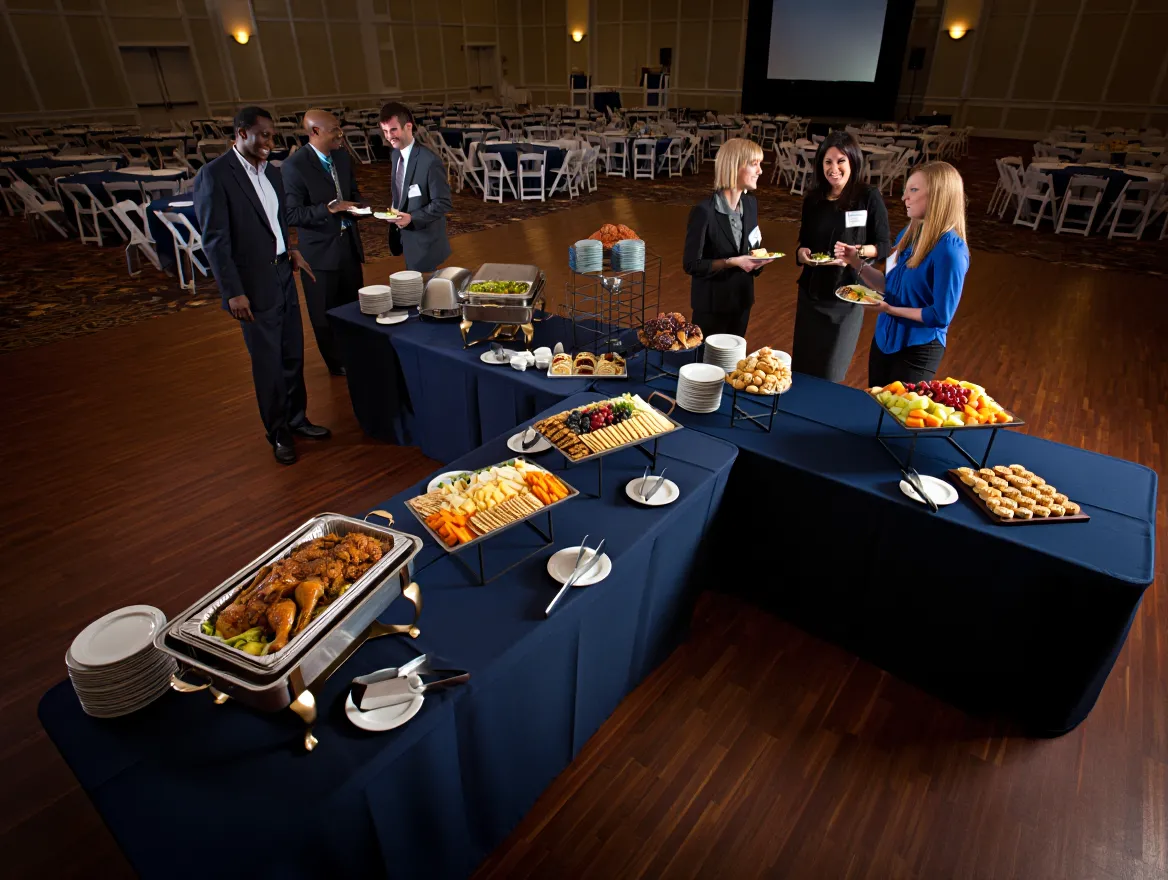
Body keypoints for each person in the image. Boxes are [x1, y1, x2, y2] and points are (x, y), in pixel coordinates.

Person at [194, 105, 328, 466]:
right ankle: (278, 431)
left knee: (292, 354)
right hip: (252, 286)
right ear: (241, 134)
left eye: (272, 135)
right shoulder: (215, 175)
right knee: (267, 363)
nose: (271, 141)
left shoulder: (274, 173)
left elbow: (276, 221)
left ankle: (297, 419)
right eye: (263, 135)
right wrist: (232, 292)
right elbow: (216, 241)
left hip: (283, 273)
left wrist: (291, 251)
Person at [834, 161, 970, 387]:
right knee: (875, 408)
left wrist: (889, 309)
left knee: (898, 418)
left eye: (914, 190)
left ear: (938, 196)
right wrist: (854, 261)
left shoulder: (951, 250)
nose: (904, 197)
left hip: (918, 349)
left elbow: (940, 315)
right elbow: (888, 286)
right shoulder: (907, 233)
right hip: (884, 339)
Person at [791, 131, 891, 382]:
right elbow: (805, 243)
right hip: (811, 294)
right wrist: (802, 255)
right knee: (802, 368)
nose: (833, 168)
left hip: (846, 296)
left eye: (840, 161)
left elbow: (883, 246)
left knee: (830, 372)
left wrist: (855, 253)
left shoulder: (868, 196)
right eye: (828, 162)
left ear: (853, 162)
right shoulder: (813, 199)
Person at [281, 108, 364, 377]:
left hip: (348, 245)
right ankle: (336, 363)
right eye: (334, 130)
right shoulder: (295, 166)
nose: (340, 135)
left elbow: (352, 192)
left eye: (339, 128)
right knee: (324, 314)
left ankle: (357, 353)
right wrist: (327, 210)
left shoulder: (341, 156)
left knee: (354, 307)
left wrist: (357, 208)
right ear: (314, 132)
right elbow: (292, 214)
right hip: (318, 252)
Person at [682, 137, 769, 337]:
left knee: (732, 365)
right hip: (712, 307)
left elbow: (752, 245)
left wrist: (758, 261)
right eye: (754, 164)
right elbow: (691, 264)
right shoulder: (704, 211)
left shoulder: (751, 204)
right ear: (734, 166)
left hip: (742, 301)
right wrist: (732, 262)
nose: (760, 171)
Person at [378, 102, 452, 272]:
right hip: (407, 239)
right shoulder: (396, 154)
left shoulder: (430, 161)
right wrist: (395, 210)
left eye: (393, 130)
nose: (389, 137)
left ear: (408, 126)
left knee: (428, 295)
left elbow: (443, 202)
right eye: (385, 131)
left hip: (426, 243)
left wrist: (412, 218)